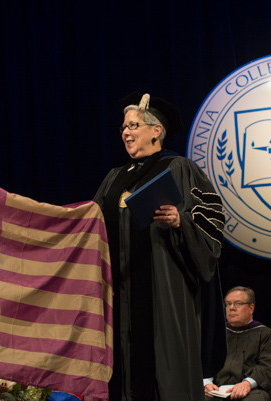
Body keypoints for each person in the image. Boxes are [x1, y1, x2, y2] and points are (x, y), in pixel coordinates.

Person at [93, 92, 225, 401]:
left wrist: (181, 222)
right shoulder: (113, 178)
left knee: (164, 372)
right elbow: (91, 222)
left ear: (156, 131)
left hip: (164, 290)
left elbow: (212, 220)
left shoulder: (179, 168)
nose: (126, 132)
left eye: (133, 125)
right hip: (121, 293)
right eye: (124, 127)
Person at [203, 286, 271, 400]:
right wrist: (206, 383)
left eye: (238, 303)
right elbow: (204, 362)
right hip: (216, 389)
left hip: (250, 390)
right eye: (228, 304)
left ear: (251, 308)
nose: (232, 308)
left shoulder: (266, 334)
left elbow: (269, 366)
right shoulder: (216, 334)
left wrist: (247, 383)